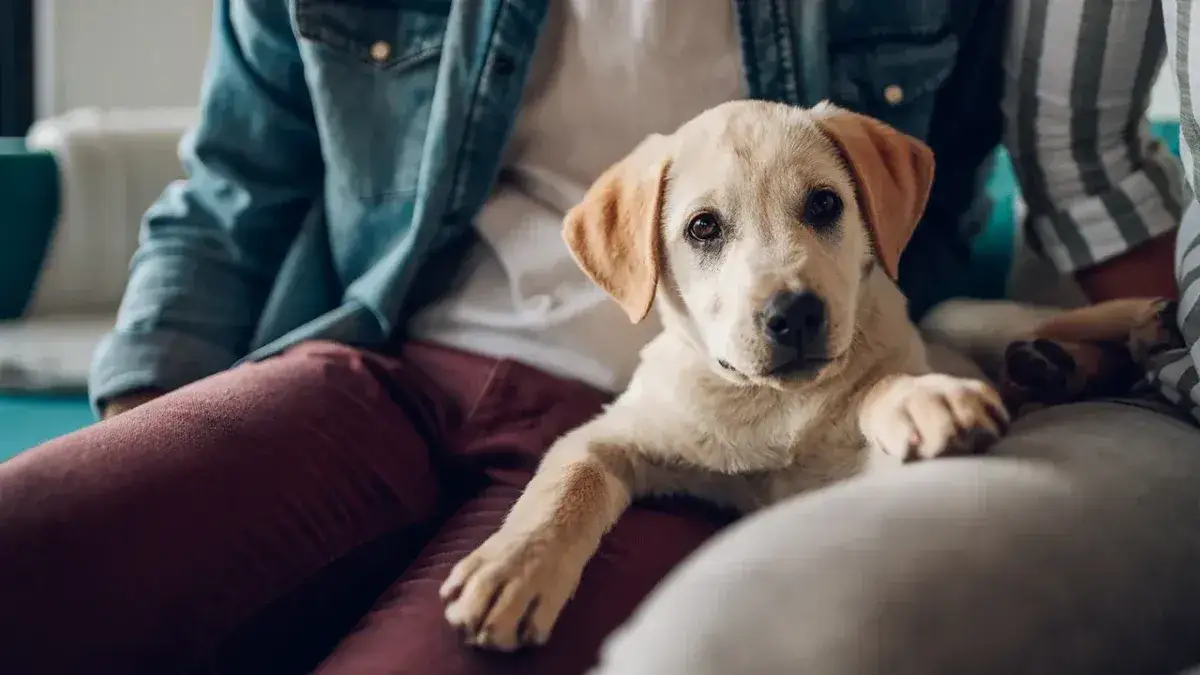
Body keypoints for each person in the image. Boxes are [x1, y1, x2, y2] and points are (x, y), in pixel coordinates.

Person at [1, 0, 1197, 673]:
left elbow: (1050, 165)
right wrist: (159, 428)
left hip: (693, 433)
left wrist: (1134, 355)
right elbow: (231, 188)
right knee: (44, 543)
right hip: (382, 366)